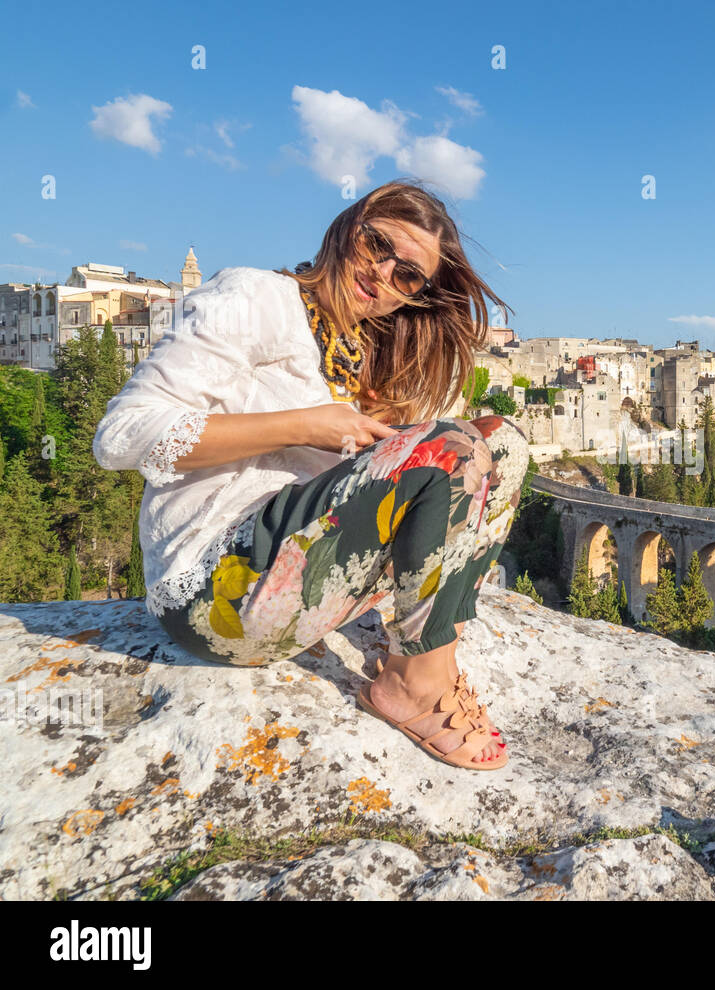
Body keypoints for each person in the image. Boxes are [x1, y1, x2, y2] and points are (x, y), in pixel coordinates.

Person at [92, 178, 530, 771]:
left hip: (301, 579)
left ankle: (430, 654)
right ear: (349, 226)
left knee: (501, 445)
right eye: (377, 244)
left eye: (407, 275)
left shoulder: (364, 348)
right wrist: (303, 424)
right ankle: (417, 681)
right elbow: (121, 437)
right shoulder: (256, 297)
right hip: (217, 590)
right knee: (451, 446)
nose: (382, 274)